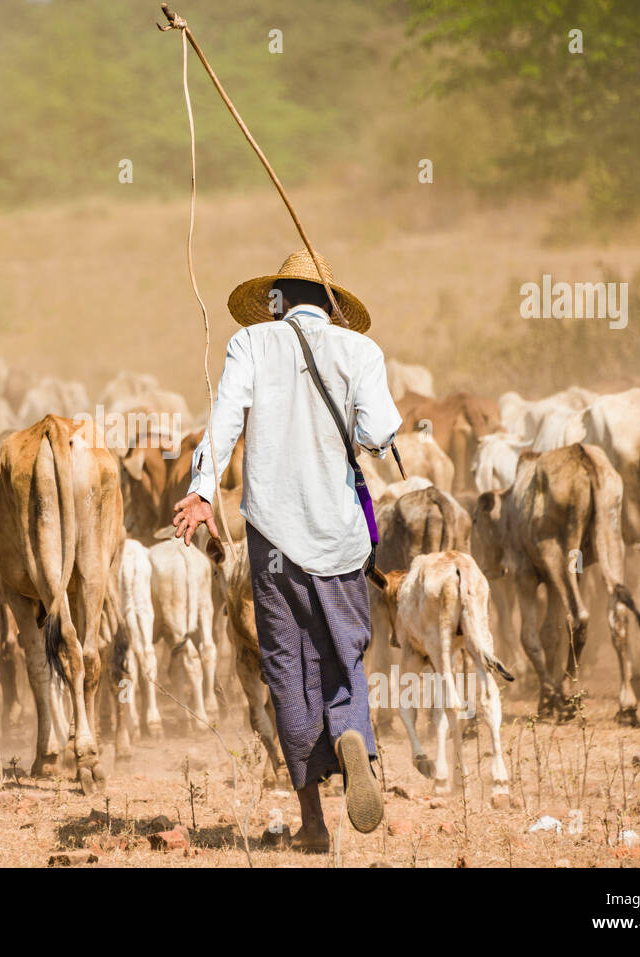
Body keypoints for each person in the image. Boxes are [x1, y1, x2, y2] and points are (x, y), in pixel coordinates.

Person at [172, 248, 402, 852]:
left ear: (276, 299)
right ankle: (353, 736)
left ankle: (314, 823)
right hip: (342, 541)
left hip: (272, 542)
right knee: (344, 653)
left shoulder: (251, 344)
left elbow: (223, 421)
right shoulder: (362, 352)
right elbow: (378, 435)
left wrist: (201, 493)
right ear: (332, 303)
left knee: (286, 669)